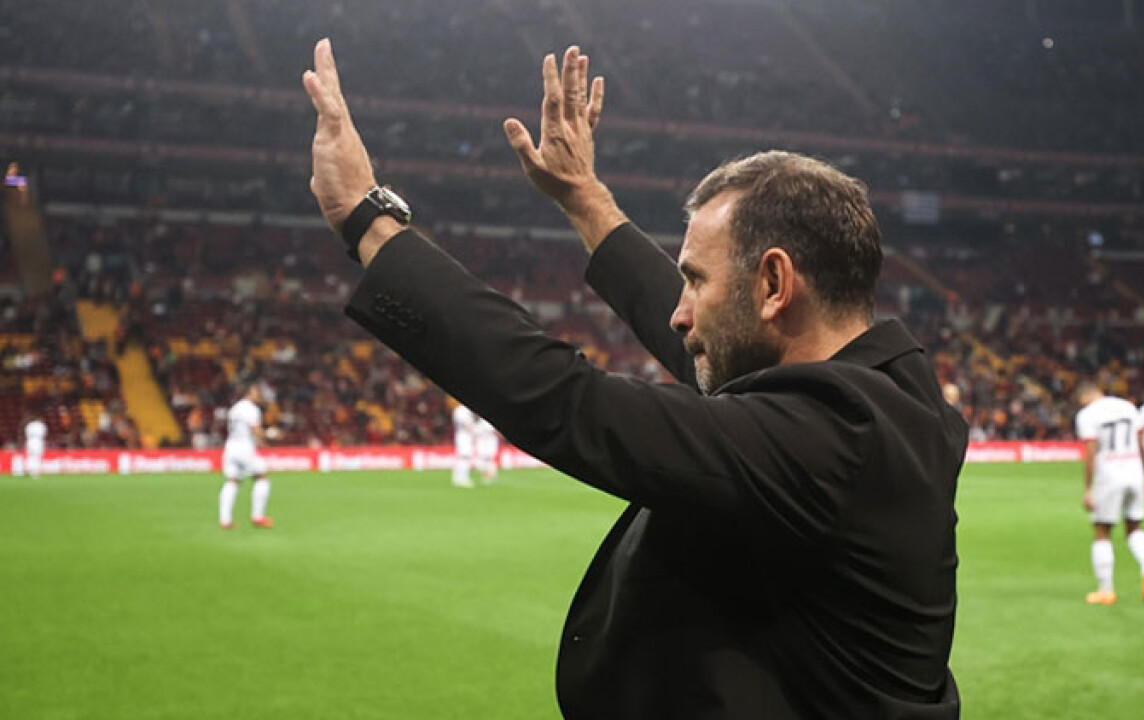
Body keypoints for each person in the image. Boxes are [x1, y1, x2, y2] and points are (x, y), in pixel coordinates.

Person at [304, 40, 967, 718]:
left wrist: (367, 219)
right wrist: (586, 200)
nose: (680, 313)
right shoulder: (885, 403)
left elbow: (573, 403)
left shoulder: (835, 440)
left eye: (696, 280)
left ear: (774, 283)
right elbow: (706, 345)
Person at [1075, 382, 1144, 605]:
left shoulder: (1087, 415)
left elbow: (1090, 452)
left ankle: (1106, 591)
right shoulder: (1128, 407)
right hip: (1134, 471)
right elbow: (1141, 444)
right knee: (1135, 528)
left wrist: (1088, 488)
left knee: (1102, 531)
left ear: (1084, 398)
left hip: (1108, 474)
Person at [219, 385, 273, 529]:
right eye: (256, 392)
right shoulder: (251, 409)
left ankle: (225, 520)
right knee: (262, 476)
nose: (259, 395)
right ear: (248, 393)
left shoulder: (235, 409)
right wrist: (267, 436)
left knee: (232, 481)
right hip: (244, 448)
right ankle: (258, 516)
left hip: (230, 447)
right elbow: (255, 430)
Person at [449, 399, 477, 488]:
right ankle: (462, 477)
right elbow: (466, 424)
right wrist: (474, 432)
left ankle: (458, 477)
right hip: (463, 436)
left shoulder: (464, 411)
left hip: (466, 436)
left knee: (464, 457)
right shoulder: (460, 411)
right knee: (464, 456)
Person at [474, 415, 500, 484]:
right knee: (485, 460)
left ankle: (489, 475)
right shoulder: (480, 422)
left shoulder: (485, 422)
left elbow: (493, 431)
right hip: (483, 442)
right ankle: (489, 475)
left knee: (488, 459)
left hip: (490, 442)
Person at [24, 415, 47, 479]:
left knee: (30, 457)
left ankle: (29, 470)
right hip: (38, 441)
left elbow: (26, 434)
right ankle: (35, 472)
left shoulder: (29, 425)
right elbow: (43, 434)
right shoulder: (41, 425)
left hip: (30, 441)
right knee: (37, 457)